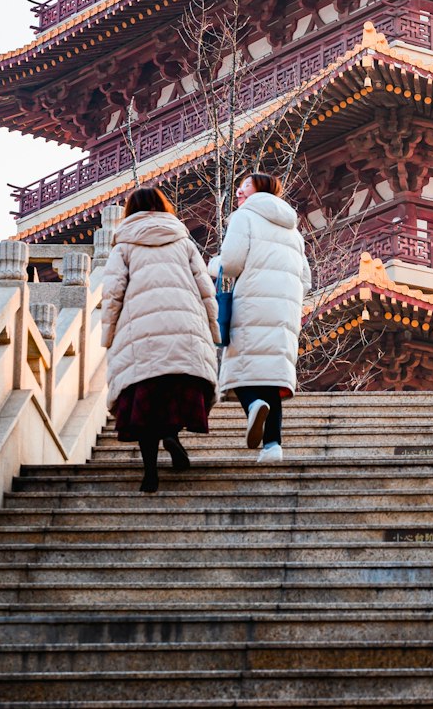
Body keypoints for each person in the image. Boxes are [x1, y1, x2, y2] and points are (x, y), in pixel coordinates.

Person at [101, 188, 219, 494]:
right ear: (163, 206)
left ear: (130, 212)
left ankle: (150, 473)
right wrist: (212, 327)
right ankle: (172, 435)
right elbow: (206, 287)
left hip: (141, 331)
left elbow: (112, 294)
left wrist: (108, 333)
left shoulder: (123, 246)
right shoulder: (183, 241)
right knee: (175, 393)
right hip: (184, 325)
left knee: (145, 403)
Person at [213, 172, 311, 462]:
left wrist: (212, 265)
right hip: (285, 310)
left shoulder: (244, 217)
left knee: (241, 367)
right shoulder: (294, 230)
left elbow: (230, 263)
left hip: (252, 301)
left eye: (244, 186)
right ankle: (272, 447)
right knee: (272, 375)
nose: (239, 192)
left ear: (258, 190)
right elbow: (305, 278)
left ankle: (253, 404)